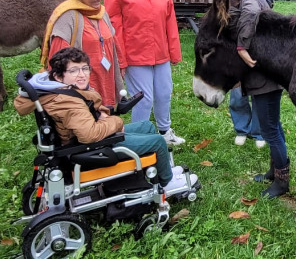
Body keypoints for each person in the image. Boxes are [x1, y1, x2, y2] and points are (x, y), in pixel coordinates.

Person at [13, 47, 196, 191]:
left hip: (88, 138)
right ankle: (167, 182)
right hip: (92, 147)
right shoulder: (66, 101)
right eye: (74, 70)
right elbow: (89, 134)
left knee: (147, 126)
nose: (82, 74)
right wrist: (114, 123)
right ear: (59, 76)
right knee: (157, 141)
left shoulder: (59, 91)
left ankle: (157, 171)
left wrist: (103, 115)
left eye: (85, 68)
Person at [105, 0, 185, 146]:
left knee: (164, 93)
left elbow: (170, 22)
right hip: (135, 56)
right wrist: (121, 61)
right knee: (144, 98)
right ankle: (137, 137)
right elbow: (115, 30)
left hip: (160, 53)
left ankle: (165, 131)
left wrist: (174, 52)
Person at [225, 0, 290, 198]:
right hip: (264, 75)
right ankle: (275, 170)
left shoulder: (249, 0)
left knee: (270, 129)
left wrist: (241, 46)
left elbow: (250, 13)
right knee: (273, 126)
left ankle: (282, 182)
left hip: (266, 79)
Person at [40, 0, 125, 106]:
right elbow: (58, 60)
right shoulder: (67, 17)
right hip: (83, 83)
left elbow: (112, 42)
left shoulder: (102, 13)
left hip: (105, 76)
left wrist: (120, 64)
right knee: (89, 120)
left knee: (106, 118)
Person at [216, 0, 265, 148]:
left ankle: (259, 131)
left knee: (259, 92)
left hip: (254, 49)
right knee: (237, 93)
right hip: (232, 51)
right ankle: (241, 128)